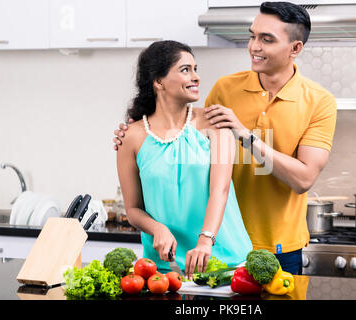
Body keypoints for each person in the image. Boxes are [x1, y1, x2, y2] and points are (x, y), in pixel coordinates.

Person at [114, 2, 337, 275]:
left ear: (295, 49)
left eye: (266, 39)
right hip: (213, 243)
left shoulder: (319, 102)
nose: (254, 46)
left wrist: (245, 136)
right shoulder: (225, 89)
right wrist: (137, 134)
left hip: (277, 245)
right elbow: (185, 137)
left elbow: (303, 179)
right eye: (252, 35)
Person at [116, 40, 252, 279]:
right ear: (158, 82)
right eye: (185, 70)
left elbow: (219, 191)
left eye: (195, 69)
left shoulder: (216, 122)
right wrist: (156, 228)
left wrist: (205, 240)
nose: (196, 77)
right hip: (165, 268)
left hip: (225, 261)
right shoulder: (131, 137)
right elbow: (133, 209)